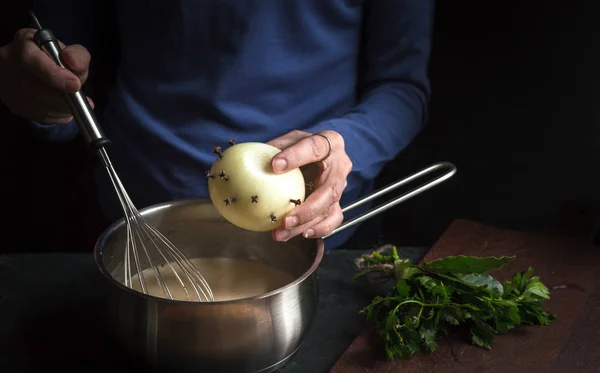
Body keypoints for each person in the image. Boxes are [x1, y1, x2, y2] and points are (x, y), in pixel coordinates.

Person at [0, 1, 434, 250]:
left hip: (324, 231)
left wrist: (343, 144)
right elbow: (64, 72)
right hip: (138, 215)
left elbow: (402, 88)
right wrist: (45, 98)